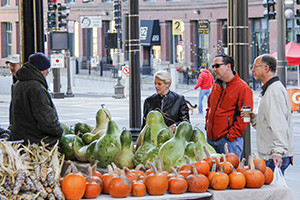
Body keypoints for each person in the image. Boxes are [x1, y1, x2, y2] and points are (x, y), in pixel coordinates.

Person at [246, 54, 294, 175]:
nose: (252, 70)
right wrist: (255, 119)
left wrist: (278, 152)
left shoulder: (273, 91)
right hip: (273, 155)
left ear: (266, 68)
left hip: (273, 157)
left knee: (273, 192)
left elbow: (279, 124)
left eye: (255, 67)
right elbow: (269, 122)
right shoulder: (271, 89)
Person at [205, 54, 253, 159]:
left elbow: (245, 117)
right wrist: (207, 125)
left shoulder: (243, 88)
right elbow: (209, 107)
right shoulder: (216, 85)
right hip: (211, 139)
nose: (214, 69)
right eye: (213, 66)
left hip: (229, 142)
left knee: (230, 174)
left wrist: (230, 136)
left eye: (217, 66)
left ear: (228, 66)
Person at [11, 52, 63, 146]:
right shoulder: (37, 88)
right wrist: (60, 131)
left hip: (21, 138)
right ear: (42, 70)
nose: (48, 72)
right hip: (35, 141)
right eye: (47, 69)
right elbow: (48, 122)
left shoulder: (18, 84)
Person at [6, 54, 21, 130]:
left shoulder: (21, 83)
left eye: (14, 65)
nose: (11, 68)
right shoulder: (15, 83)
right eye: (10, 65)